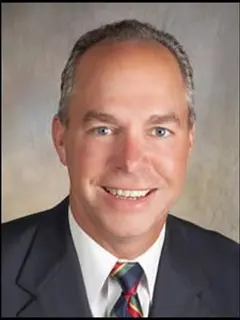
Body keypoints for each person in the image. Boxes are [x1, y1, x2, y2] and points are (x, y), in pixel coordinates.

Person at [2, 19, 239, 318]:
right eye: (103, 130)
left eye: (159, 131)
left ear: (190, 140)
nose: (130, 161)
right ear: (61, 140)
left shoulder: (232, 277)